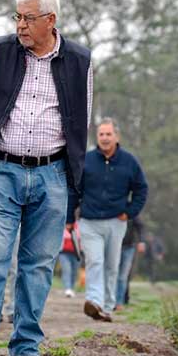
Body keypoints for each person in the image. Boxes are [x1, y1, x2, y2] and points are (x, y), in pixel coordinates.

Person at [0, 0, 93, 356]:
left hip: (53, 174)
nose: (20, 25)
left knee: (38, 265)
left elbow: (81, 121)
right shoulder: (0, 52)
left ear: (50, 21)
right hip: (3, 171)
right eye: (17, 17)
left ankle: (24, 348)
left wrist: (65, 168)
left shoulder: (80, 61)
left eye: (28, 18)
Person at [68, 118, 148, 321]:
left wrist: (130, 212)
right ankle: (94, 301)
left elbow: (141, 189)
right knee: (95, 261)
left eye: (108, 134)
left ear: (116, 137)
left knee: (112, 265)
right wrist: (70, 217)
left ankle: (109, 305)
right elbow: (74, 190)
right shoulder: (86, 160)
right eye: (101, 134)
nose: (104, 138)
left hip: (116, 221)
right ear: (97, 137)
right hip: (89, 221)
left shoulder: (129, 162)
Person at [116, 217, 145, 307]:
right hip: (113, 246)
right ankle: (110, 300)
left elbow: (140, 226)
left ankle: (119, 302)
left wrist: (141, 241)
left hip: (129, 247)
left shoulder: (131, 210)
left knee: (123, 276)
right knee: (112, 274)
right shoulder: (112, 208)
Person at [59, 225, 81, 298]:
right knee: (67, 270)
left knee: (74, 271)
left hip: (77, 253)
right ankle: (67, 288)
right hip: (64, 252)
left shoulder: (81, 224)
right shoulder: (64, 223)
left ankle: (71, 288)